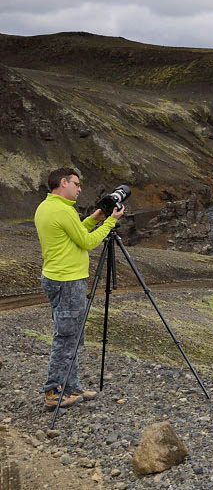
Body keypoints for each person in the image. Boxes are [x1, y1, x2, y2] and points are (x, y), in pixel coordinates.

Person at [34, 168, 125, 410]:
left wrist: (96, 217)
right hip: (67, 280)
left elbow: (76, 232)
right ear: (63, 183)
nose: (80, 188)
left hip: (58, 278)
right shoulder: (62, 210)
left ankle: (71, 387)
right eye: (76, 183)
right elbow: (86, 242)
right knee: (66, 338)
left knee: (73, 335)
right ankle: (53, 391)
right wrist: (110, 224)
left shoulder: (48, 206)